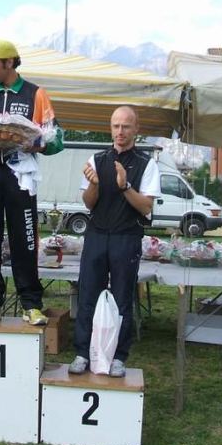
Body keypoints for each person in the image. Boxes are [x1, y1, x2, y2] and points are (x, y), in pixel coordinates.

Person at [0, 40, 64, 326]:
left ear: (9, 62)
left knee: (25, 240)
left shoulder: (35, 93)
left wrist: (39, 146)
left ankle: (31, 304)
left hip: (20, 176)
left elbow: (56, 137)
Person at [68, 106, 160, 377]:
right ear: (110, 128)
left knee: (122, 297)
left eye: (126, 126)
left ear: (136, 130)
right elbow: (89, 203)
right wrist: (94, 185)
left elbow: (146, 207)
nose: (120, 132)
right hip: (97, 234)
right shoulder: (97, 159)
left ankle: (118, 356)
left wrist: (125, 186)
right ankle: (83, 353)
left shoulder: (146, 163)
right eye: (116, 126)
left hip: (126, 236)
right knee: (87, 294)